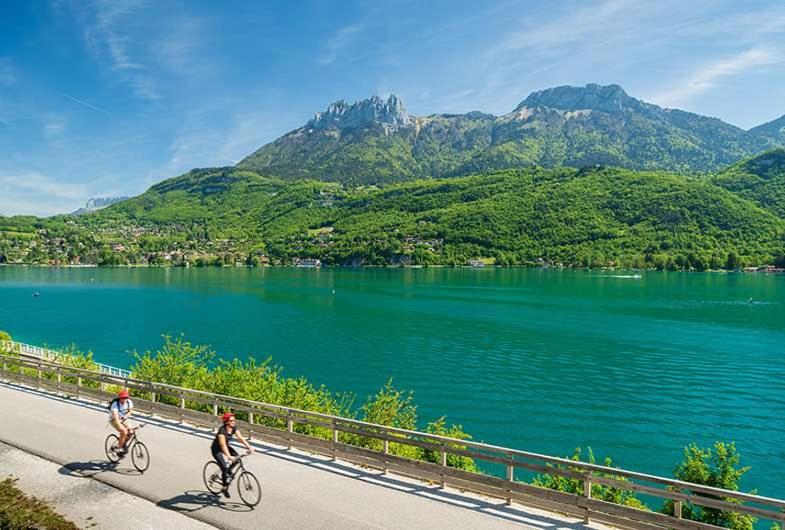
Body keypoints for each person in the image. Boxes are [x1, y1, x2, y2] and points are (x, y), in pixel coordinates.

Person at [211, 412, 253, 497]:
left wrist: (249, 447)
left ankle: (228, 472)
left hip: (226, 446)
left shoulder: (233, 428)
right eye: (231, 421)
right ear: (226, 422)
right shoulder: (222, 431)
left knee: (238, 458)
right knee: (224, 468)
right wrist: (229, 456)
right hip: (216, 449)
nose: (234, 422)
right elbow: (222, 445)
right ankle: (224, 487)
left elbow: (240, 438)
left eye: (234, 420)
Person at [108, 389, 134, 456]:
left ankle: (123, 444)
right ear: (120, 398)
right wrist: (120, 425)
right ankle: (119, 449)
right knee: (124, 431)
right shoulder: (115, 404)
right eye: (123, 398)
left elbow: (130, 411)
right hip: (114, 419)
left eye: (126, 398)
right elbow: (116, 416)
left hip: (123, 418)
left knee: (131, 432)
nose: (124, 400)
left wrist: (125, 417)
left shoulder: (129, 402)